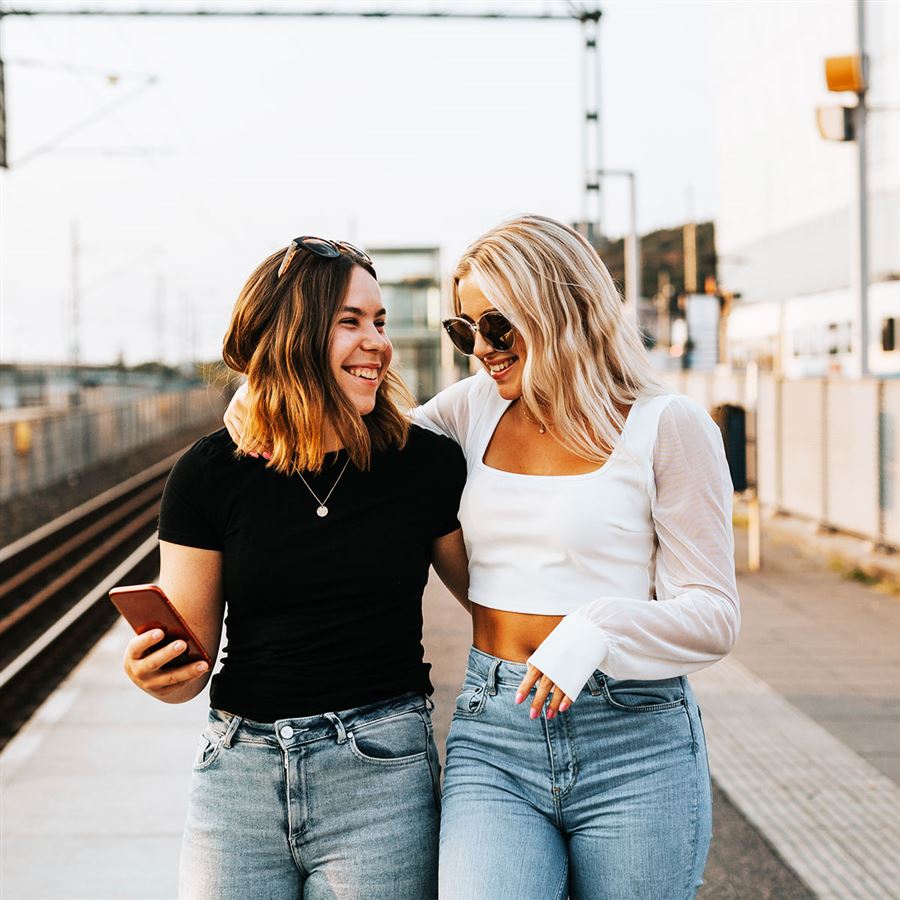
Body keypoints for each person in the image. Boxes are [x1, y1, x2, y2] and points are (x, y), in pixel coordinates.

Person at [225, 215, 740, 899]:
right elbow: (347, 426)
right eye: (464, 332)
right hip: (496, 734)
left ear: (565, 308)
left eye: (498, 328)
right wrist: (253, 398)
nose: (482, 351)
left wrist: (597, 628)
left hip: (635, 737)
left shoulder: (667, 425)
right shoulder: (469, 414)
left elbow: (712, 615)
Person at [123, 236, 468, 900]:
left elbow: (500, 600)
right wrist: (153, 672)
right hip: (238, 780)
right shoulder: (207, 473)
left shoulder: (424, 465)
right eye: (351, 321)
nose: (378, 343)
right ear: (295, 333)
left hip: (380, 779)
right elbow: (185, 670)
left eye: (380, 321)